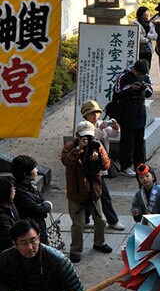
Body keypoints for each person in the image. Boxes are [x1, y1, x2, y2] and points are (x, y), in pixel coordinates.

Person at [60, 122, 113, 263]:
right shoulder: (70, 147)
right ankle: (75, 250)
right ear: (77, 136)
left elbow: (107, 164)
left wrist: (99, 156)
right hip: (76, 193)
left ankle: (99, 243)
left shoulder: (97, 145)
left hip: (93, 191)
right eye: (84, 137)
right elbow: (66, 161)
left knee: (100, 220)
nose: (87, 139)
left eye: (89, 136)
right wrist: (79, 149)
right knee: (78, 224)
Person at [79, 99, 124, 230]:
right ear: (85, 115)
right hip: (90, 166)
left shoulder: (100, 124)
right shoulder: (83, 127)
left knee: (92, 194)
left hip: (101, 164)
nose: (95, 116)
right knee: (103, 194)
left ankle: (86, 219)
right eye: (92, 113)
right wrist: (99, 129)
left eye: (97, 113)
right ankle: (112, 220)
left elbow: (114, 134)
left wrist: (116, 127)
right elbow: (91, 140)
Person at [115, 60, 153, 175]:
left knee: (139, 141)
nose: (141, 76)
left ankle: (140, 165)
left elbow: (150, 92)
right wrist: (130, 88)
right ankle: (125, 166)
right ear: (134, 69)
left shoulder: (145, 77)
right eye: (139, 74)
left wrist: (144, 87)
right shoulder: (123, 76)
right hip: (127, 110)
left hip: (140, 110)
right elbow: (117, 91)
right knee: (127, 140)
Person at [9, 156, 51, 244]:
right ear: (25, 174)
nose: (37, 170)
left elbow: (40, 201)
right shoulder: (21, 193)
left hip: (37, 228)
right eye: (34, 168)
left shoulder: (29, 187)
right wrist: (48, 205)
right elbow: (39, 210)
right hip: (30, 232)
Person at [0, 176, 19, 252]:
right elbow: (8, 236)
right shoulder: (2, 216)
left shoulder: (10, 203)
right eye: (13, 189)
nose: (15, 191)